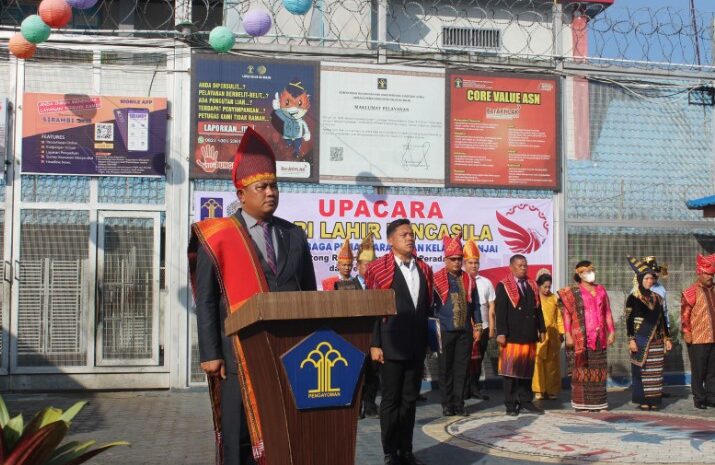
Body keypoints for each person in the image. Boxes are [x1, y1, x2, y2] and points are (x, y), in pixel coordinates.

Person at [189, 127, 317, 465]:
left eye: (274, 185)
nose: (271, 193)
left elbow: (310, 294)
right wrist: (211, 353)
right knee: (238, 437)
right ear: (241, 193)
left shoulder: (294, 235)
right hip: (237, 356)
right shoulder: (218, 237)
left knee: (284, 433)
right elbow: (205, 299)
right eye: (262, 187)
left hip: (288, 354)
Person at [366, 218, 433, 465]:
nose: (410, 238)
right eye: (404, 234)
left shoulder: (424, 269)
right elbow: (372, 310)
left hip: (416, 346)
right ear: (391, 240)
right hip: (390, 345)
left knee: (409, 400)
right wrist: (374, 343)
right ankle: (389, 452)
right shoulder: (379, 269)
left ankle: (406, 450)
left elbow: (427, 308)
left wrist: (429, 341)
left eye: (411, 234)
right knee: (391, 401)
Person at [433, 234, 481, 417]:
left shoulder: (468, 279)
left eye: (459, 259)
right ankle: (447, 404)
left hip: (464, 332)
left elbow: (475, 304)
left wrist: (477, 326)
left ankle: (459, 404)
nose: (456, 262)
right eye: (453, 259)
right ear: (445, 260)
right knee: (445, 369)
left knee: (461, 369)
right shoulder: (437, 279)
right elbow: (430, 306)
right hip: (444, 331)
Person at [558, 261, 615, 412]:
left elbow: (607, 312)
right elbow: (567, 316)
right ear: (579, 274)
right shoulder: (573, 292)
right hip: (581, 338)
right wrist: (568, 335)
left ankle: (599, 404)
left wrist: (612, 331)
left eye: (592, 270)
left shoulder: (601, 290)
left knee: (599, 370)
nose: (591, 273)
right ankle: (582, 404)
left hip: (600, 337)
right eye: (587, 271)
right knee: (582, 371)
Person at [335, 234, 380, 418]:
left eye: (372, 265)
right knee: (355, 374)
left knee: (373, 373)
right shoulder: (346, 286)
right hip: (354, 336)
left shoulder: (378, 287)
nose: (369, 268)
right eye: (366, 265)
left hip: (375, 336)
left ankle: (370, 405)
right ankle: (357, 407)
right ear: (358, 266)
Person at [495, 254, 546, 416]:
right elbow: (500, 311)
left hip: (529, 334)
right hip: (512, 336)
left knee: (526, 370)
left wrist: (542, 329)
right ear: (511, 267)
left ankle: (526, 401)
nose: (523, 268)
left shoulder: (531, 284)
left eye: (525, 265)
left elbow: (538, 310)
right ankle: (510, 404)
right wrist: (501, 332)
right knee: (510, 372)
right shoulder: (503, 285)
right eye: (520, 265)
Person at [625, 256, 672, 411]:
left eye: (651, 278)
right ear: (640, 279)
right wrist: (631, 339)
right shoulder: (633, 297)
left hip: (657, 340)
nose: (649, 281)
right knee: (642, 371)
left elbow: (663, 319)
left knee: (655, 372)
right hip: (641, 338)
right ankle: (643, 400)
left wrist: (667, 337)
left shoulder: (657, 297)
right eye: (646, 278)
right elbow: (629, 320)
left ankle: (654, 400)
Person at [681, 253, 715, 410]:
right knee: (699, 370)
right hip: (698, 338)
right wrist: (687, 332)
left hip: (713, 337)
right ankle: (699, 398)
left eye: (712, 274)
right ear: (700, 273)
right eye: (708, 273)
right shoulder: (691, 291)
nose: (710, 276)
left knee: (712, 371)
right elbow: (684, 314)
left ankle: (711, 397)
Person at [463, 239, 495, 401]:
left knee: (478, 359)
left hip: (483, 327)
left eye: (476, 263)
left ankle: (474, 388)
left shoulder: (486, 282)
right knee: (464, 360)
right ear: (464, 263)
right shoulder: (460, 280)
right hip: (465, 328)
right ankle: (463, 390)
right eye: (470, 262)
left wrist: (492, 328)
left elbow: (491, 307)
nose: (474, 266)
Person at [532, 271, 564, 400]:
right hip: (539, 335)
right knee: (538, 362)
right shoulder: (534, 298)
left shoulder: (554, 298)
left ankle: (551, 390)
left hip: (553, 334)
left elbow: (559, 317)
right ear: (538, 286)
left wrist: (561, 333)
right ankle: (538, 390)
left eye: (549, 286)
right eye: (544, 286)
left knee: (552, 363)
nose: (547, 289)